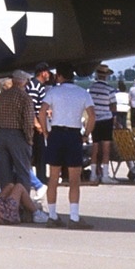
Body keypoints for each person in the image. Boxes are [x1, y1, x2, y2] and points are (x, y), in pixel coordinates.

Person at [39, 65, 95, 229]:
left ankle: (53, 215)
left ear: (59, 77)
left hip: (56, 133)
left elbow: (42, 112)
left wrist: (45, 131)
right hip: (73, 134)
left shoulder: (53, 92)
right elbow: (92, 115)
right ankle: (74, 217)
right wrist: (86, 134)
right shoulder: (82, 92)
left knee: (53, 178)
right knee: (74, 179)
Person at [0, 70, 36, 192]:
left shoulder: (1, 96)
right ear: (23, 82)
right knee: (23, 171)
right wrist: (29, 139)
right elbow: (28, 121)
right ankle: (24, 202)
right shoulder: (25, 98)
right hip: (17, 135)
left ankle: (7, 203)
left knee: (5, 173)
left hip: (1, 135)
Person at [88, 65, 118, 184]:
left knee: (95, 148)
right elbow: (113, 105)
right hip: (106, 119)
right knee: (106, 148)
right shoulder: (109, 89)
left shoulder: (92, 88)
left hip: (95, 119)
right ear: (106, 76)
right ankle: (105, 175)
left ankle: (93, 174)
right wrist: (114, 118)